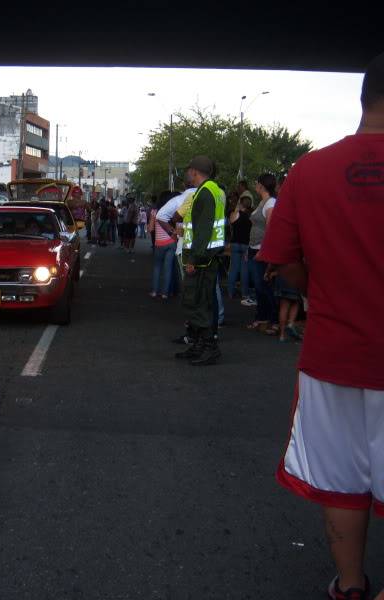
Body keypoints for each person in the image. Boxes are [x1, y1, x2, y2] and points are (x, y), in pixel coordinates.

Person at [257, 52, 384, 600]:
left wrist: (321, 288)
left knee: (342, 482)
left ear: (363, 98)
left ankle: (350, 586)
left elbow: (283, 260)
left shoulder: (309, 171)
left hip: (333, 355)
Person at [171, 156, 226, 366]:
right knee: (198, 302)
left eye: (189, 170)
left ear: (195, 171)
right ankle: (199, 345)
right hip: (207, 257)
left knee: (198, 304)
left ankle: (209, 347)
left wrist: (193, 259)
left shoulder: (205, 193)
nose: (187, 173)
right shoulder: (213, 190)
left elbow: (203, 230)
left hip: (202, 260)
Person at [245, 173, 279, 332]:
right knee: (258, 287)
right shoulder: (262, 202)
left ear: (262, 185)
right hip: (253, 248)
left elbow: (272, 230)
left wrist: (264, 251)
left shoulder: (271, 203)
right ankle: (261, 317)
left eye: (257, 182)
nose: (255, 185)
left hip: (261, 250)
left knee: (264, 286)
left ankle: (273, 319)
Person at [150, 192, 177, 299]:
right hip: (171, 242)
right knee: (168, 268)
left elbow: (151, 228)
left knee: (157, 267)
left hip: (159, 243)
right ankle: (165, 293)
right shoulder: (174, 212)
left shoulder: (155, 212)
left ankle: (154, 292)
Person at [228, 194, 253, 301]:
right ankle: (244, 293)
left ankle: (230, 292)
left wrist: (236, 209)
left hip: (235, 243)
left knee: (233, 268)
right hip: (246, 244)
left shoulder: (236, 214)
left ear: (240, 203)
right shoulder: (251, 216)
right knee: (244, 270)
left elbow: (231, 222)